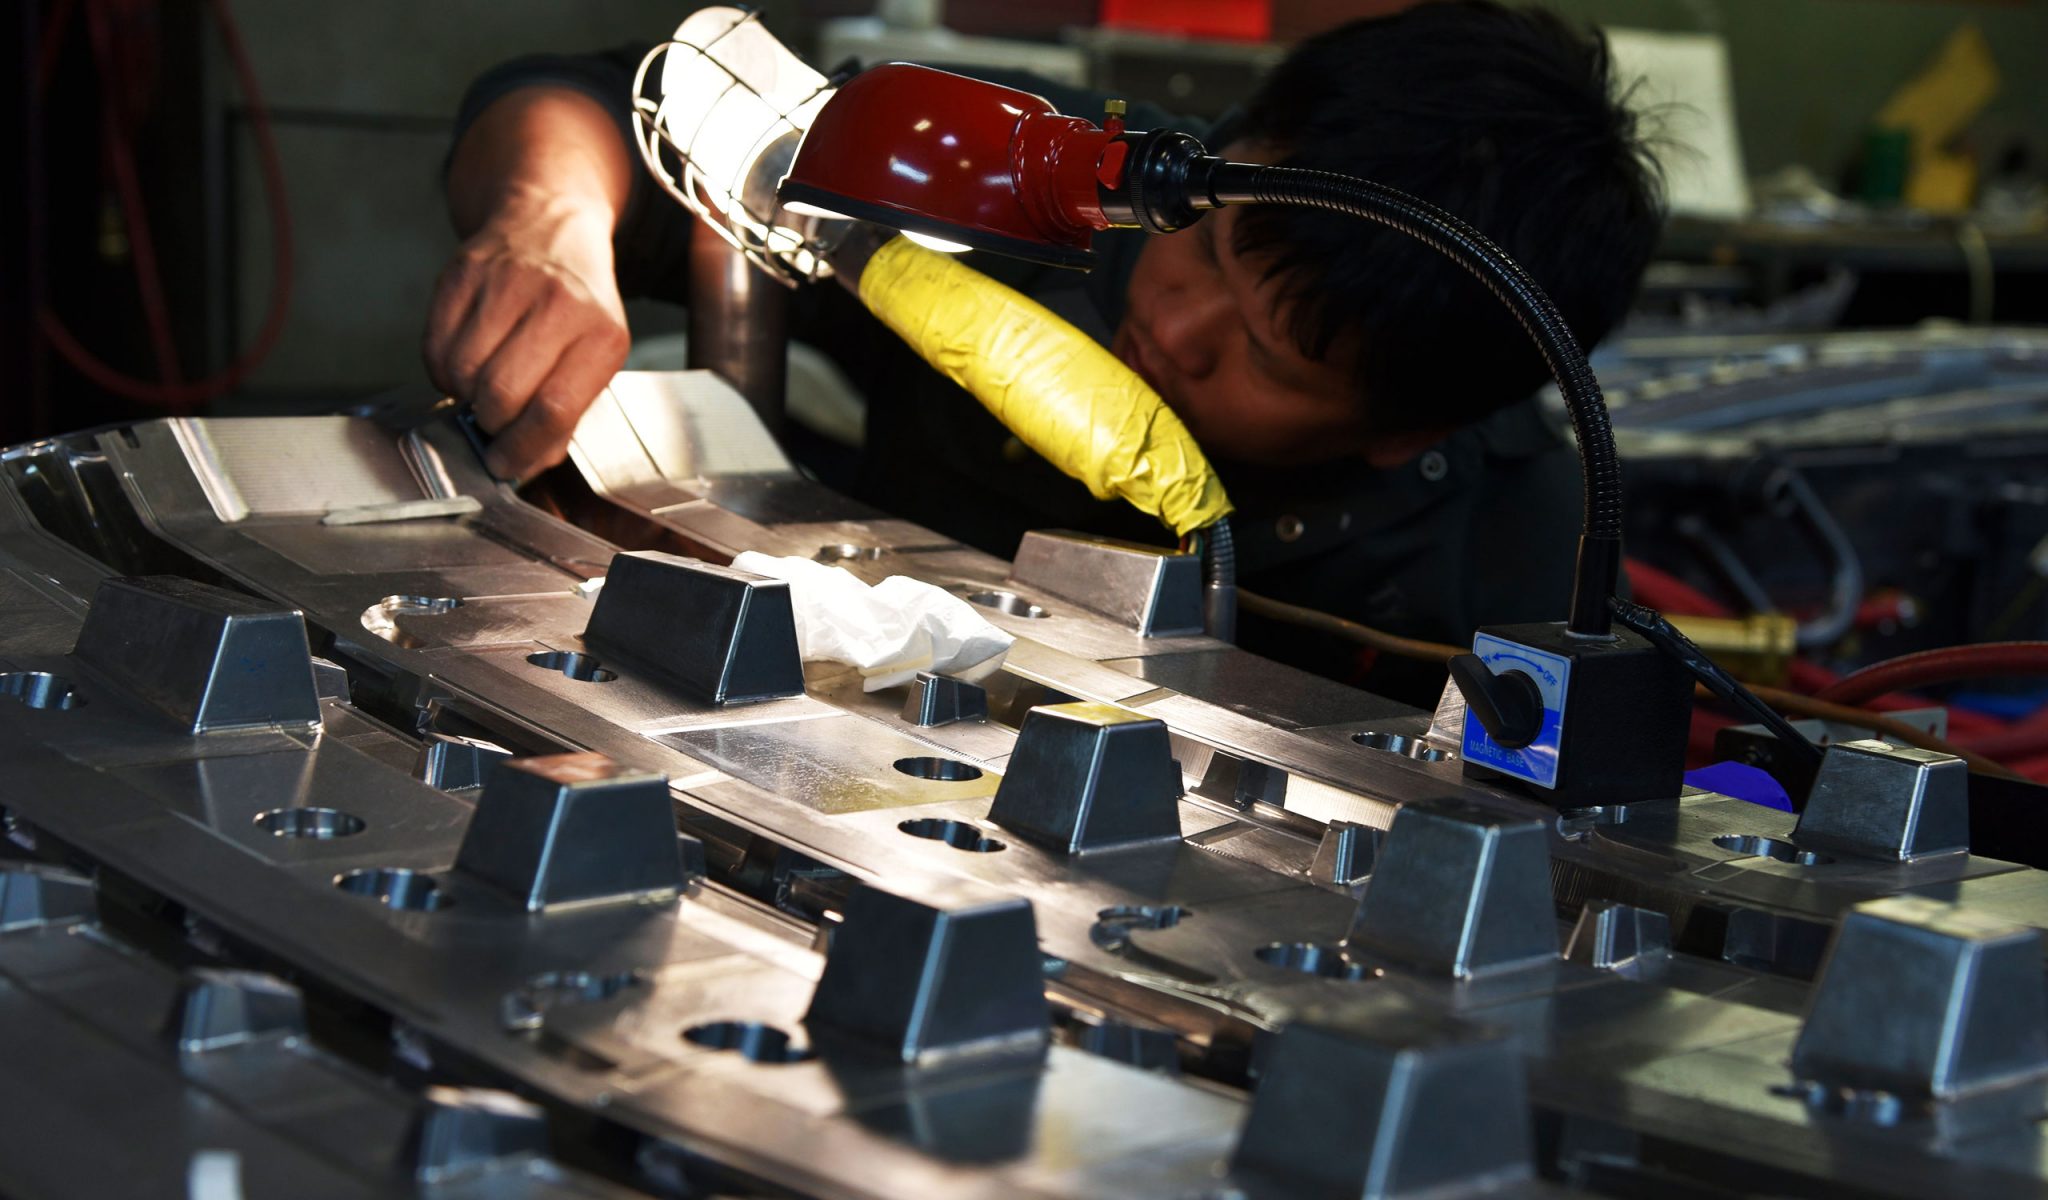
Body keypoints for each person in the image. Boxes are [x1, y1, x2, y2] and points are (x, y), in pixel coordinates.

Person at [428, 1, 1663, 702]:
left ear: (1405, 435)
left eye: (1267, 359)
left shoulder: (1508, 558)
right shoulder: (1042, 178)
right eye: (1207, 251)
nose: (1171, 325)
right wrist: (548, 221)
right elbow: (598, 97)